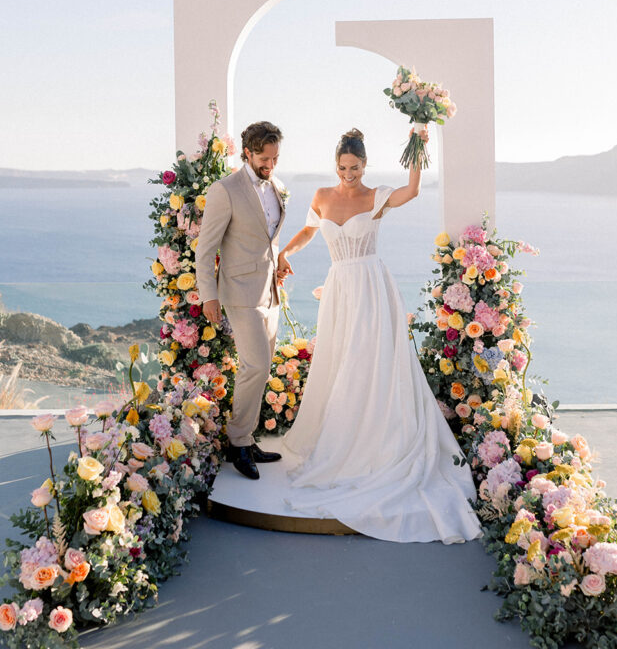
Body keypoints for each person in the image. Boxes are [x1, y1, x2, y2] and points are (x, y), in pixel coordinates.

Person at [276, 128, 481, 544]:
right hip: (339, 289)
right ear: (335, 166)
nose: (348, 174)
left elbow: (414, 190)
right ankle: (342, 435)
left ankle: (378, 440)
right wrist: (283, 253)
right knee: (340, 360)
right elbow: (308, 232)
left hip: (370, 286)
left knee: (370, 360)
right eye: (342, 167)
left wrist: (418, 145)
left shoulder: (376, 197)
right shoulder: (320, 196)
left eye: (354, 168)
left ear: (365, 166)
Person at [196, 121, 293, 480]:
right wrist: (209, 295)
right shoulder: (225, 190)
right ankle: (237, 443)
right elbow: (205, 250)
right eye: (265, 158)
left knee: (261, 368)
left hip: (269, 289)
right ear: (247, 153)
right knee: (256, 365)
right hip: (237, 291)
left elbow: (270, 238)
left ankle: (246, 437)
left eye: (275, 158)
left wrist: (280, 261)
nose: (271, 165)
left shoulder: (277, 187)